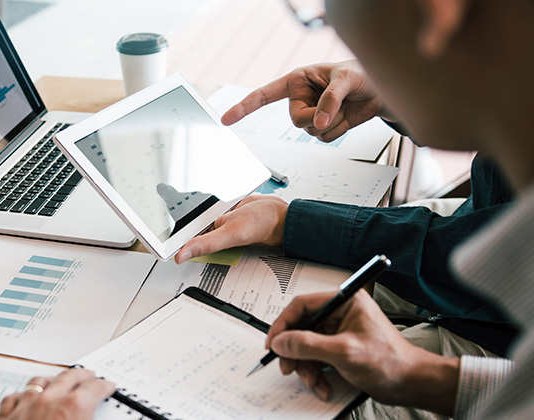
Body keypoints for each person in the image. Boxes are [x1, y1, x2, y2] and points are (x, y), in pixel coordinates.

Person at [0, 0, 534, 418]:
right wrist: (417, 375)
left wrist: (291, 221)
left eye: (320, 12)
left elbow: (469, 259)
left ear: (434, 10)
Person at [174, 59, 517, 358]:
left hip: (504, 336)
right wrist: (388, 94)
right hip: (476, 216)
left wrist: (286, 223)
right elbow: (501, 118)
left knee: (308, 390)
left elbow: (488, 255)